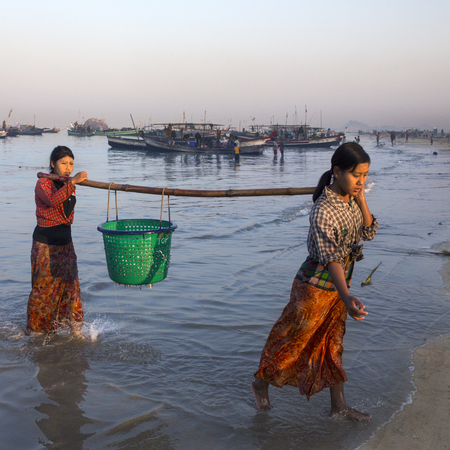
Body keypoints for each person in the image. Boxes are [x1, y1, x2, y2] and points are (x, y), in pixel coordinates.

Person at [251, 142, 378, 421]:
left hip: (339, 283)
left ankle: (339, 406)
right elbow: (331, 258)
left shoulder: (350, 200)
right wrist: (347, 297)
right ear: (337, 171)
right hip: (315, 286)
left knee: (333, 343)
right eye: (357, 175)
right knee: (294, 342)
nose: (361, 181)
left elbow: (368, 232)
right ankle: (260, 384)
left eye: (365, 175)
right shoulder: (323, 210)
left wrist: (361, 199)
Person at [26, 146, 88, 335]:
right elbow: (54, 201)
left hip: (65, 243)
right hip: (45, 244)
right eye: (63, 163)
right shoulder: (44, 183)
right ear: (53, 164)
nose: (68, 168)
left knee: (71, 286)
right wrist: (73, 182)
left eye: (71, 164)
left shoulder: (67, 184)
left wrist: (72, 183)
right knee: (43, 289)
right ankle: (36, 332)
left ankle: (75, 330)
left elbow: (66, 212)